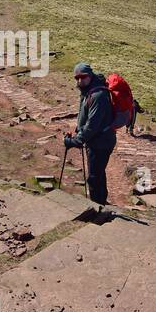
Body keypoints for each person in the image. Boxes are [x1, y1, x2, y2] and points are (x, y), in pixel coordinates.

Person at [64, 63, 116, 207]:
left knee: (93, 178)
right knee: (98, 173)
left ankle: (97, 208)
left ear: (90, 76)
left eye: (83, 77)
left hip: (100, 143)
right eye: (77, 78)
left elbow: (92, 126)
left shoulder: (97, 95)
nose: (80, 81)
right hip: (99, 140)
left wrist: (76, 141)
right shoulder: (89, 90)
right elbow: (86, 118)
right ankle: (102, 203)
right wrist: (78, 131)